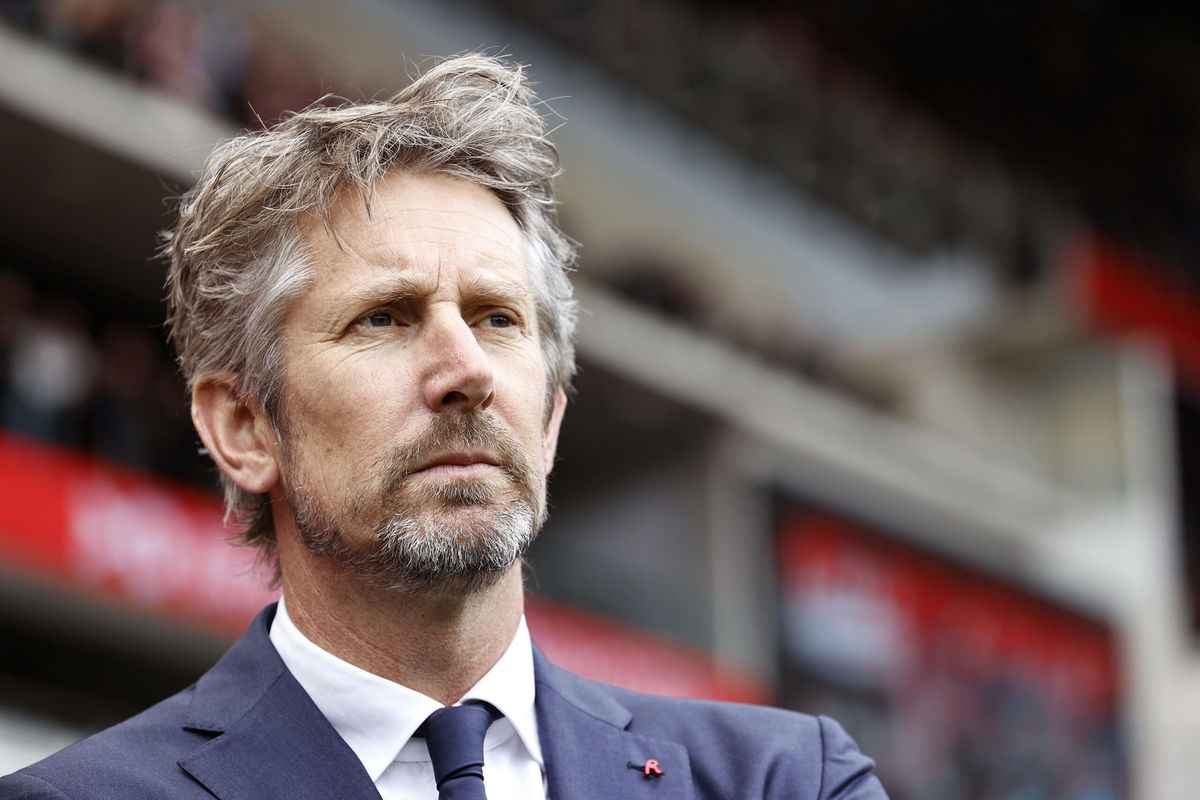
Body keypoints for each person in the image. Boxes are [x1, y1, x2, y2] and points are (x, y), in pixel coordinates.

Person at [0, 54, 888, 799]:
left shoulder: (785, 781)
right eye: (384, 317)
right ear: (243, 427)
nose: (466, 370)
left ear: (549, 419)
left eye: (499, 318)